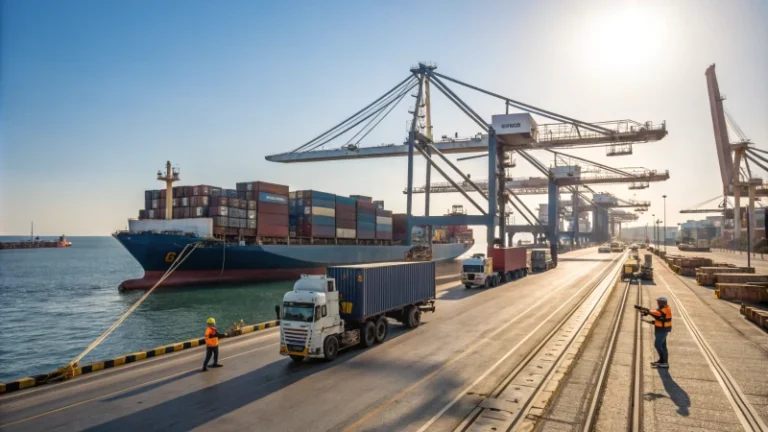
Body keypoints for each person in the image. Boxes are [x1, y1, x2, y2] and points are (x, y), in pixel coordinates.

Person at [639, 297, 672, 368]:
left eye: (659, 302)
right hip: (662, 329)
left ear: (663, 303)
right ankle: (662, 361)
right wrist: (646, 316)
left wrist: (647, 311)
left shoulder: (664, 310)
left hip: (662, 330)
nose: (658, 303)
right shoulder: (665, 309)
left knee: (657, 345)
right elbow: (657, 317)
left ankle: (664, 362)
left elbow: (657, 313)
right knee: (663, 346)